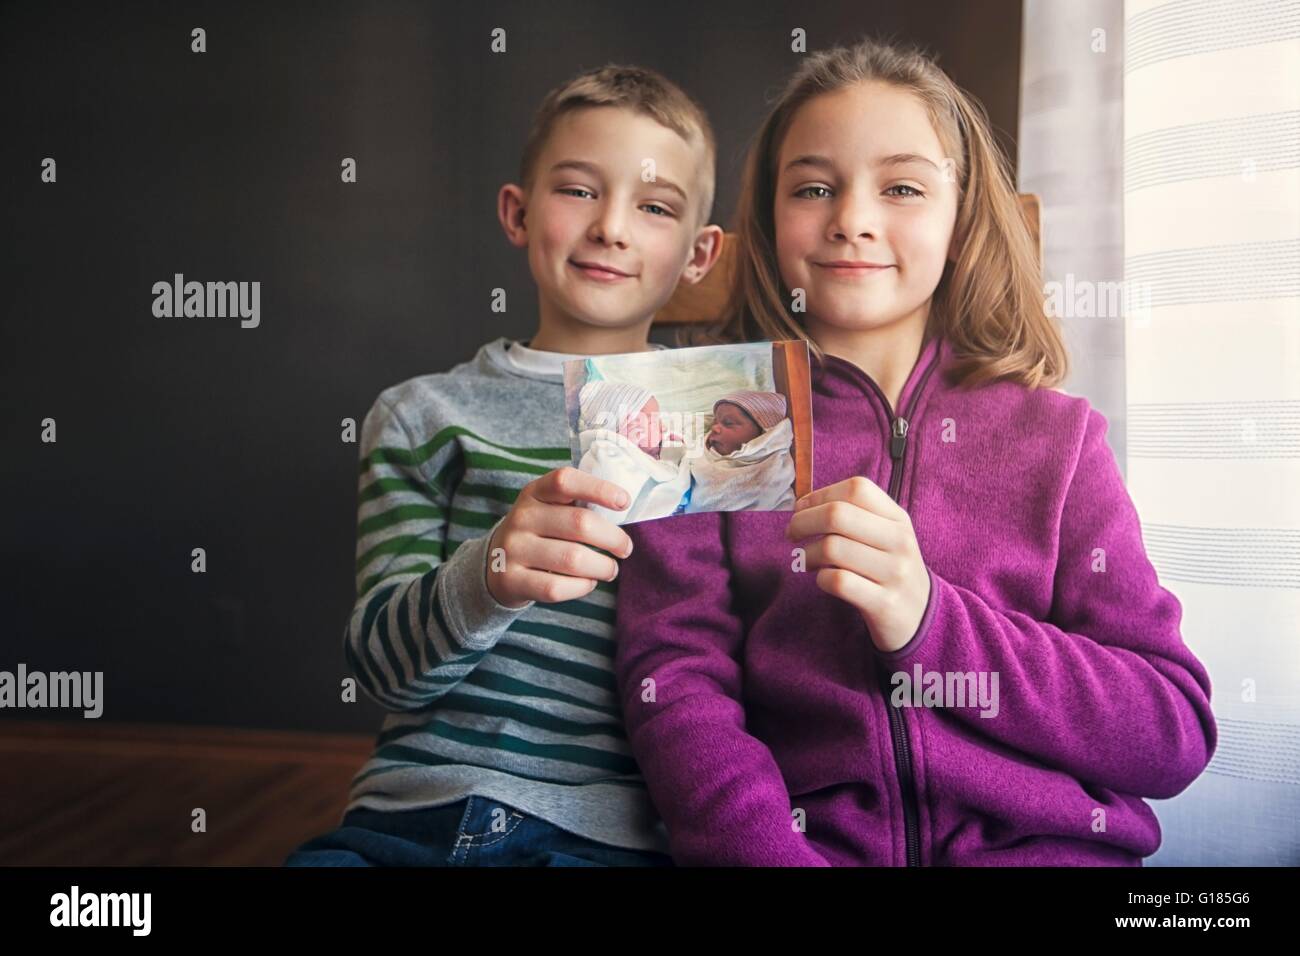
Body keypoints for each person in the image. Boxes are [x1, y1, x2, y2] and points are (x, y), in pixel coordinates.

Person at [612, 37, 1216, 866]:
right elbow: (676, 694)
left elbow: (1169, 733)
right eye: (814, 187)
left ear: (962, 221)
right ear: (768, 220)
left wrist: (931, 621)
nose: (852, 218)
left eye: (901, 187)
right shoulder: (706, 419)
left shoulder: (1058, 439)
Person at [285, 63, 723, 866]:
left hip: (607, 839)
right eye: (580, 190)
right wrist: (487, 572)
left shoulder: (716, 432)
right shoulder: (421, 414)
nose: (613, 228)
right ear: (518, 214)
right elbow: (382, 671)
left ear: (698, 255)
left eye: (654, 207)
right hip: (408, 817)